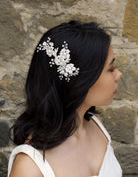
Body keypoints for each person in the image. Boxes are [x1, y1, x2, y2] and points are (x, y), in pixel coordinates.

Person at [8, 20, 122, 177]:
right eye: (111, 69)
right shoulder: (30, 167)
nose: (118, 74)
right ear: (81, 81)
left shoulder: (96, 125)